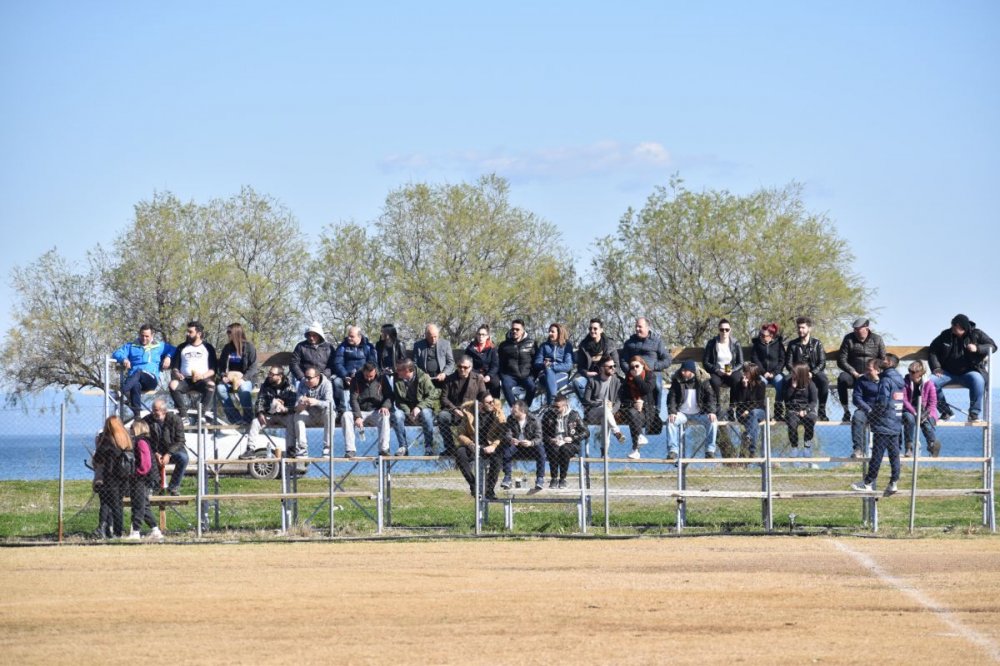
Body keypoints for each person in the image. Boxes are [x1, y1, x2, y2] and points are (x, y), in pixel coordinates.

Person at [928, 314, 996, 422]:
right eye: (953, 325)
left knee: (978, 380)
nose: (953, 328)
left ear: (963, 327)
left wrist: (978, 348)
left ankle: (973, 414)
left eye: (956, 326)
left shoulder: (977, 333)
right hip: (947, 372)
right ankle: (945, 412)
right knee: (930, 382)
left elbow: (993, 346)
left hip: (970, 372)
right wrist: (936, 367)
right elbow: (932, 351)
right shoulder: (945, 334)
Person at [852, 354, 905, 494]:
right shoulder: (899, 379)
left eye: (883, 360)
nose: (881, 361)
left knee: (877, 454)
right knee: (894, 455)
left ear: (888, 363)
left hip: (884, 422)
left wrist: (874, 415)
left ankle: (868, 482)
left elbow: (882, 402)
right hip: (896, 421)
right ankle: (894, 482)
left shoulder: (885, 380)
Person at [111, 324, 174, 421]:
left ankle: (122, 391)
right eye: (142, 335)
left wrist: (168, 357)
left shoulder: (160, 346)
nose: (144, 338)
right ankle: (137, 415)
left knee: (139, 372)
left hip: (150, 379)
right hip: (133, 380)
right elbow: (116, 353)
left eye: (147, 336)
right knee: (135, 385)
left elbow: (175, 350)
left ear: (152, 336)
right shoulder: (131, 346)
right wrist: (124, 359)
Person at [437, 355, 491, 455]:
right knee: (442, 416)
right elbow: (444, 398)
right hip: (454, 412)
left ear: (471, 367)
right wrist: (454, 409)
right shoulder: (449, 379)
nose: (462, 369)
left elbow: (483, 397)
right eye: (460, 366)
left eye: (465, 367)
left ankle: (479, 447)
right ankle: (450, 448)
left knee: (486, 417)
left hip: (472, 413)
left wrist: (472, 410)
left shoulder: (478, 378)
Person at [836, 318, 886, 423]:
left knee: (887, 380)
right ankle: (846, 411)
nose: (856, 332)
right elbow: (841, 360)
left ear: (866, 328)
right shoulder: (848, 339)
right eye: (855, 329)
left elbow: (882, 360)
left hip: (872, 375)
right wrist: (853, 372)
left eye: (858, 329)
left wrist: (873, 372)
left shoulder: (877, 339)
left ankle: (881, 411)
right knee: (842, 378)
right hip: (854, 374)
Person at [666, 360, 718, 460]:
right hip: (681, 414)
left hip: (700, 413)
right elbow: (671, 398)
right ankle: (673, 451)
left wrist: (711, 412)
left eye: (685, 370)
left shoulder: (703, 381)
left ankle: (710, 451)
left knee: (713, 421)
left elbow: (711, 397)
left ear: (692, 371)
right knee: (670, 421)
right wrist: (672, 412)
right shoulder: (677, 380)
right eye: (682, 370)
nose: (682, 372)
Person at [455, 398, 506, 499]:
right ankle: (474, 485)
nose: (491, 404)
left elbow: (503, 433)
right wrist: (470, 444)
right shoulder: (469, 412)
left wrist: (494, 445)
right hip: (473, 445)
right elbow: (460, 434)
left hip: (490, 445)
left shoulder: (498, 413)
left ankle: (489, 489)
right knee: (460, 453)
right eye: (487, 402)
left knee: (497, 457)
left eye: (492, 402)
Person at [620, 317, 671, 417]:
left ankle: (656, 413)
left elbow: (667, 359)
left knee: (658, 387)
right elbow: (623, 360)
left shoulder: (657, 342)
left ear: (647, 328)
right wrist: (630, 370)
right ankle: (629, 412)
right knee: (624, 388)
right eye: (636, 327)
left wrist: (655, 366)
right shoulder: (629, 343)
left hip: (652, 372)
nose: (637, 329)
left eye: (640, 327)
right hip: (633, 373)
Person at [168, 321, 218, 424]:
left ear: (199, 334)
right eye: (187, 331)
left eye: (190, 332)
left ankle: (202, 416)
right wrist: (177, 373)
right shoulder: (181, 347)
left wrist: (202, 376)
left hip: (202, 379)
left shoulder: (208, 347)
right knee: (172, 385)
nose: (187, 334)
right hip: (185, 380)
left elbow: (213, 369)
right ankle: (183, 415)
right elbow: (175, 367)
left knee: (211, 385)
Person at [244, 365, 297, 459]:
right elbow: (260, 401)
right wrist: (260, 413)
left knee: (292, 419)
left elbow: (293, 407)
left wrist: (284, 408)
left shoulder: (290, 387)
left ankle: (290, 449)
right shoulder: (265, 386)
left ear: (280, 376)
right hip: (268, 415)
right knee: (255, 422)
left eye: (272, 374)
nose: (269, 376)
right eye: (269, 373)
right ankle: (250, 450)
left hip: (284, 416)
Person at [91, 416, 131, 538]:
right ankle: (111, 530)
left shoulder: (108, 440)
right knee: (116, 503)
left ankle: (107, 529)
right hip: (124, 476)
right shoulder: (126, 439)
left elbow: (98, 457)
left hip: (110, 476)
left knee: (108, 503)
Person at [391, 359, 440, 456]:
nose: (397, 372)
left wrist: (419, 407)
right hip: (407, 412)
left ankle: (428, 447)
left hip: (423, 410)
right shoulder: (396, 379)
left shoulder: (424, 377)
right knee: (397, 415)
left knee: (426, 413)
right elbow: (399, 401)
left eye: (399, 370)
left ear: (407, 370)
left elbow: (433, 396)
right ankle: (403, 447)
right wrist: (409, 413)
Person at [785, 316, 829, 421]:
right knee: (785, 379)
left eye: (803, 327)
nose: (800, 330)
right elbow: (788, 363)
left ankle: (822, 412)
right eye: (799, 328)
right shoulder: (792, 344)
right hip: (797, 373)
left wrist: (812, 373)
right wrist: (796, 373)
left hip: (813, 374)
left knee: (823, 380)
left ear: (809, 328)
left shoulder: (817, 343)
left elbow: (822, 363)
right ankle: (788, 411)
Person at [345, 363, 393, 457]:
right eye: (367, 375)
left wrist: (385, 406)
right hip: (360, 411)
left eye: (371, 376)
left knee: (385, 415)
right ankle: (350, 450)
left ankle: (384, 449)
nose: (369, 378)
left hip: (376, 410)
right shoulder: (355, 380)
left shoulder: (382, 379)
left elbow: (389, 396)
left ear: (375, 372)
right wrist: (357, 416)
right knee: (346, 416)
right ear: (363, 372)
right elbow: (353, 399)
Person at [126, 420, 163, 541]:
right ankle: (155, 531)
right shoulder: (143, 441)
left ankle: (135, 532)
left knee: (138, 505)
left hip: (142, 478)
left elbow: (146, 464)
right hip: (143, 477)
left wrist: (137, 473)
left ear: (138, 429)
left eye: (132, 427)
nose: (130, 430)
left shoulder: (141, 442)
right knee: (144, 505)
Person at [215, 323, 258, 425]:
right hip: (229, 380)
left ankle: (248, 418)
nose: (227, 334)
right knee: (220, 389)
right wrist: (223, 376)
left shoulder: (249, 347)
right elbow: (221, 366)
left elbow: (253, 367)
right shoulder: (227, 348)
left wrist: (243, 378)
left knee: (244, 389)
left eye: (229, 332)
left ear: (236, 333)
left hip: (246, 379)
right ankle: (236, 418)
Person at [541, 393, 587, 488]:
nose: (554, 409)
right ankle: (554, 479)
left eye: (557, 407)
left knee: (564, 449)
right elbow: (541, 433)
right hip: (553, 443)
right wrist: (551, 439)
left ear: (565, 405)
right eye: (553, 406)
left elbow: (586, 432)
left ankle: (562, 479)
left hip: (570, 444)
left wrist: (572, 438)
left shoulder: (574, 415)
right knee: (554, 449)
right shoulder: (548, 415)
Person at [143, 399, 187, 496]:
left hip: (172, 450)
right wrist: (155, 453)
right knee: (146, 457)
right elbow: (145, 440)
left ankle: (173, 487)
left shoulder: (175, 420)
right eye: (153, 410)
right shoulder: (147, 420)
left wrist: (168, 454)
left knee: (183, 458)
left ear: (164, 411)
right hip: (155, 451)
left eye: (156, 410)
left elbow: (180, 441)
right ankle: (155, 486)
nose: (153, 412)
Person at [581, 353, 625, 449]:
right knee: (604, 410)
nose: (613, 368)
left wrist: (611, 410)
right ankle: (617, 432)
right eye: (610, 367)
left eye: (614, 366)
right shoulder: (592, 381)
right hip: (592, 413)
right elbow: (586, 400)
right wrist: (601, 403)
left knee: (605, 418)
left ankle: (604, 452)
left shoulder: (617, 381)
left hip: (608, 414)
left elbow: (618, 401)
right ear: (601, 368)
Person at [500, 400, 546, 491]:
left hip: (530, 447)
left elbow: (539, 437)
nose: (512, 411)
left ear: (523, 411)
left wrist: (531, 443)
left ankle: (540, 479)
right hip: (516, 447)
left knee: (541, 450)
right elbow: (507, 433)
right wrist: (511, 439)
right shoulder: (510, 419)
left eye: (515, 410)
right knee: (506, 449)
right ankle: (507, 477)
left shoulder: (535, 420)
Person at [332, 325, 377, 418]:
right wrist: (345, 376)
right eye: (348, 335)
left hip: (363, 376)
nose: (349, 338)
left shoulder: (369, 347)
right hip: (346, 376)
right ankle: (342, 410)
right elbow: (338, 363)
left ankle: (365, 408)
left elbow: (372, 363)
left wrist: (359, 375)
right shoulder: (342, 346)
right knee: (336, 382)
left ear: (359, 337)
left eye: (352, 336)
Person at [619, 356, 658, 459]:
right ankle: (639, 438)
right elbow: (624, 398)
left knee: (634, 417)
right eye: (632, 367)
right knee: (633, 413)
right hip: (634, 410)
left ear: (643, 365)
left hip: (648, 411)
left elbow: (646, 389)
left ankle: (635, 449)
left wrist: (636, 377)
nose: (634, 369)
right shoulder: (628, 378)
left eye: (637, 366)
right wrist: (634, 403)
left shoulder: (650, 376)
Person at [703, 318, 744, 414]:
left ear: (730, 330)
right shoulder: (712, 343)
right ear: (718, 330)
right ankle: (717, 407)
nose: (724, 332)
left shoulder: (735, 343)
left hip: (730, 369)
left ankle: (732, 408)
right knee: (713, 381)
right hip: (717, 370)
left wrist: (732, 370)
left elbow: (741, 363)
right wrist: (716, 370)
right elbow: (706, 362)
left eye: (727, 329)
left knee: (737, 379)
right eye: (722, 329)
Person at [726, 362, 766, 458]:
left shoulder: (761, 384)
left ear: (753, 373)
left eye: (746, 372)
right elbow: (739, 401)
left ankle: (748, 435)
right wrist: (744, 387)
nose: (744, 374)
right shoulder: (739, 384)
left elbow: (758, 403)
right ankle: (752, 451)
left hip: (759, 412)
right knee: (754, 425)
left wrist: (748, 410)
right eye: (744, 372)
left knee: (754, 413)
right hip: (742, 413)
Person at [294, 367, 334, 458]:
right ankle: (302, 448)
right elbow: (296, 405)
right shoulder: (302, 383)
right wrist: (301, 405)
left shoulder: (327, 384)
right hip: (309, 415)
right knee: (298, 415)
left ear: (317, 378)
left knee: (331, 412)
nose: (306, 380)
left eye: (309, 378)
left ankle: (327, 447)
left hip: (322, 415)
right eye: (305, 377)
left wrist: (316, 402)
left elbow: (331, 404)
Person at [903, 360, 940, 457]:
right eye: (909, 371)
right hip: (909, 410)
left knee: (926, 423)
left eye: (913, 372)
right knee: (909, 419)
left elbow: (932, 403)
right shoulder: (905, 382)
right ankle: (909, 447)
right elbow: (905, 400)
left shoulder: (929, 384)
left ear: (920, 373)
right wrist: (915, 412)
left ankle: (932, 445)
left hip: (925, 411)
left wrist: (926, 414)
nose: (910, 373)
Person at [574, 318, 619, 399]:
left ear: (601, 330)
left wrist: (607, 374)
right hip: (590, 376)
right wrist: (587, 373)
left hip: (607, 376)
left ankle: (606, 406)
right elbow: (580, 367)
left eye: (595, 328)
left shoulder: (610, 344)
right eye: (590, 328)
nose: (592, 331)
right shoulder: (584, 345)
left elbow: (616, 364)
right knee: (577, 382)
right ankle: (588, 405)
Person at [498, 319, 538, 409]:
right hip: (510, 376)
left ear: (523, 329)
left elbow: (536, 361)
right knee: (505, 385)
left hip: (526, 376)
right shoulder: (504, 345)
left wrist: (533, 376)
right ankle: (514, 409)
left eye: (517, 329)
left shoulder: (531, 343)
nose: (514, 331)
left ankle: (524, 410)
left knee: (532, 387)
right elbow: (500, 363)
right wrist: (503, 376)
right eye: (513, 329)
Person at [784, 363, 818, 465]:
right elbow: (786, 399)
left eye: (794, 373)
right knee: (792, 424)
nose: (792, 374)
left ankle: (807, 446)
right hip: (793, 410)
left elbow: (814, 402)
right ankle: (794, 447)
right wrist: (792, 388)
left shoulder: (811, 384)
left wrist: (806, 410)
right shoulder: (789, 382)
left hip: (807, 410)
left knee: (811, 420)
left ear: (801, 374)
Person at [533, 322, 574, 406]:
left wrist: (552, 366)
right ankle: (552, 404)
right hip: (544, 375)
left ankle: (550, 405)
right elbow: (537, 363)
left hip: (561, 375)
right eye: (549, 331)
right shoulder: (544, 346)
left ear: (559, 333)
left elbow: (568, 365)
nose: (549, 333)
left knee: (551, 379)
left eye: (552, 331)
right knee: (549, 373)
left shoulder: (567, 346)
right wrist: (544, 365)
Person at [751, 322, 785, 419]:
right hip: (762, 373)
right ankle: (761, 411)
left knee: (780, 382)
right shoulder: (757, 344)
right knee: (760, 383)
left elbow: (782, 360)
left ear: (771, 336)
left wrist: (774, 373)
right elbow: (755, 359)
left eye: (763, 335)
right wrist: (763, 372)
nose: (761, 336)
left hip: (775, 373)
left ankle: (778, 411)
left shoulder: (778, 344)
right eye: (760, 334)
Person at [850, 359, 881, 459]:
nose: (866, 371)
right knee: (857, 417)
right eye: (866, 369)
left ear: (878, 370)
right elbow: (856, 398)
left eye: (869, 369)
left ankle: (891, 450)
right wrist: (868, 409)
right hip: (865, 409)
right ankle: (859, 449)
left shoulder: (885, 380)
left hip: (881, 410)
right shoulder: (861, 380)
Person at [412, 323, 455, 390]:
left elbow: (451, 363)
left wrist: (444, 373)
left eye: (435, 336)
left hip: (442, 378)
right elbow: (414, 364)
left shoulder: (445, 344)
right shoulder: (418, 346)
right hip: (425, 379)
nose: (433, 339)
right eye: (431, 337)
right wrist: (422, 375)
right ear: (426, 336)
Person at [465, 324, 501, 400]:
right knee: (471, 384)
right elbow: (467, 364)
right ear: (476, 335)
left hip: (489, 373)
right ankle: (473, 406)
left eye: (483, 335)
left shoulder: (492, 348)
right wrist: (477, 374)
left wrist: (489, 376)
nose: (481, 337)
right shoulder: (470, 349)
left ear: (487, 336)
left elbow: (495, 365)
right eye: (479, 334)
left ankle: (494, 405)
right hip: (474, 373)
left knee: (495, 383)